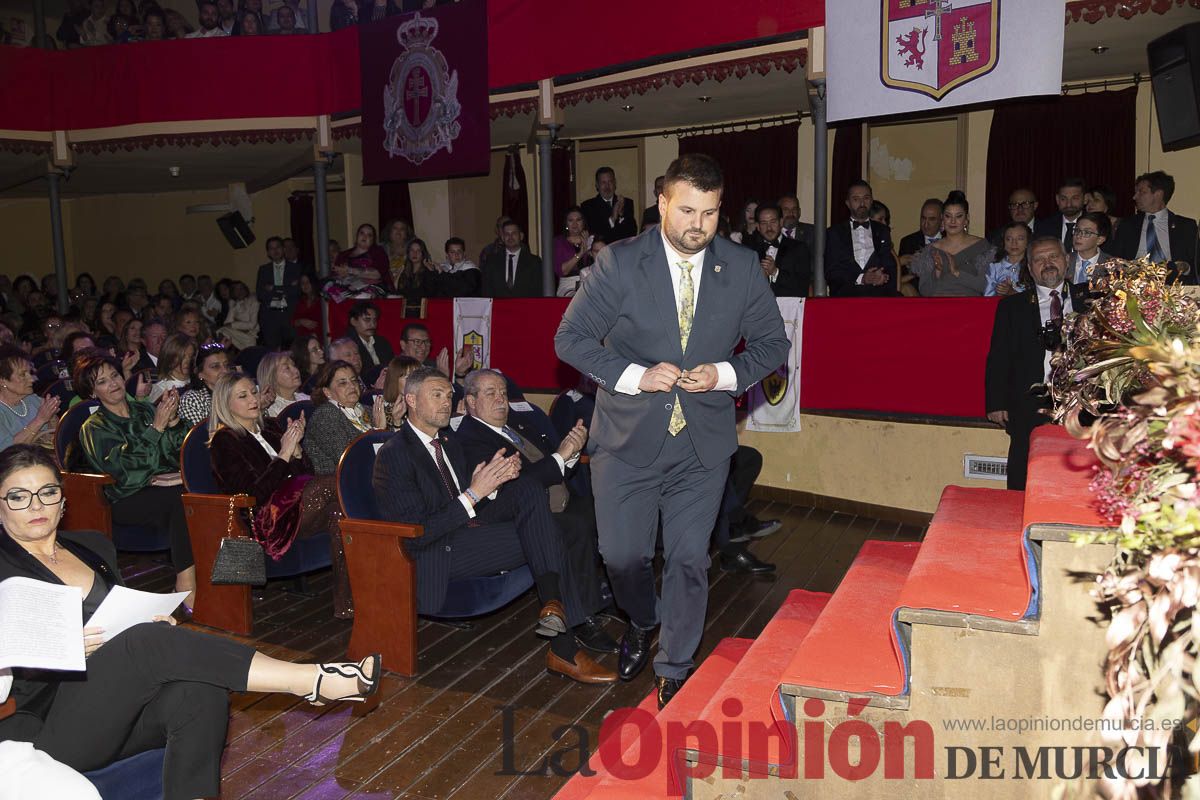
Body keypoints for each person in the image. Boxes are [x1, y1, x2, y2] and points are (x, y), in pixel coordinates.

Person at [0, 444, 380, 800]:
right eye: (18, 496)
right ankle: (309, 680)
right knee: (143, 643)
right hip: (45, 725)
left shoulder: (92, 546)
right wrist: (56, 646)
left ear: (63, 499)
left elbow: (115, 616)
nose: (37, 505)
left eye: (47, 492)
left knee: (200, 690)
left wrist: (149, 618)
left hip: (113, 706)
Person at [554, 153, 789, 708]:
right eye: (686, 210)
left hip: (702, 445)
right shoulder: (619, 263)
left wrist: (725, 374)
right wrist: (635, 375)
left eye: (709, 214)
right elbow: (571, 338)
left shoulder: (740, 266)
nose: (697, 226)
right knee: (622, 555)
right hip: (627, 439)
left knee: (688, 558)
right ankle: (641, 617)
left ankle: (675, 665)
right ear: (662, 202)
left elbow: (773, 344)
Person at [372, 368, 617, 684]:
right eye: (436, 395)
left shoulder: (448, 441)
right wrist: (475, 492)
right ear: (411, 400)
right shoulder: (395, 454)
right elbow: (419, 535)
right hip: (436, 551)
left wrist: (494, 482)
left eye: (449, 395)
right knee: (553, 531)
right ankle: (564, 646)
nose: (446, 402)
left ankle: (554, 608)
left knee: (527, 490)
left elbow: (469, 498)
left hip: (469, 529)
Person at [454, 369, 617, 654]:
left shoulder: (517, 424)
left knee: (602, 508)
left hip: (555, 496)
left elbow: (554, 461)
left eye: (503, 393)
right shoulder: (471, 437)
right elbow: (518, 485)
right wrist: (561, 456)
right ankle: (582, 620)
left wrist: (572, 452)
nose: (501, 400)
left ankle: (601, 596)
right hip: (518, 515)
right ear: (470, 402)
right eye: (490, 394)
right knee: (574, 526)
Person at [208, 374, 352, 618]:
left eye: (253, 392)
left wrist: (296, 452)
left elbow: (305, 475)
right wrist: (284, 455)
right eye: (243, 396)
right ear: (225, 404)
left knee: (340, 517)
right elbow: (254, 493)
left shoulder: (272, 427)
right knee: (335, 483)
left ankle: (348, 605)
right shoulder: (225, 441)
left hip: (296, 508)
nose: (253, 399)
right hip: (266, 518)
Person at [74, 353, 196, 605]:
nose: (114, 383)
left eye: (115, 375)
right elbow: (124, 471)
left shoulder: (143, 409)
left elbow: (176, 454)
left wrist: (172, 422)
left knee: (199, 493)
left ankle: (208, 577)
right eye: (103, 381)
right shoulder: (94, 426)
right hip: (124, 499)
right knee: (178, 499)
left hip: (162, 488)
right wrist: (157, 429)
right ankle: (186, 585)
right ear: (93, 391)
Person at [985, 237, 1087, 490]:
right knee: (1024, 471)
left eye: (1053, 256)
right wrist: (996, 402)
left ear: (1066, 260)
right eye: (1039, 259)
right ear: (1030, 269)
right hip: (1030, 401)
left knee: (1078, 472)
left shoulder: (1090, 300)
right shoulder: (1012, 307)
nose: (1048, 263)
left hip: (1083, 401)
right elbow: (999, 356)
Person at [1111, 170, 1198, 281]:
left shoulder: (1186, 226)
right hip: (1135, 285)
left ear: (1158, 194)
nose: (1134, 197)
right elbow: (1115, 259)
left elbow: (1195, 263)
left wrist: (1186, 267)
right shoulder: (1127, 225)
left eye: (1141, 192)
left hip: (1174, 285)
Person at [304, 360, 386, 476]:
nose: (352, 386)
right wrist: (378, 431)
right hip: (342, 485)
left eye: (354, 380)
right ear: (327, 392)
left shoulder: (368, 410)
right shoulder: (325, 416)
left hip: (376, 476)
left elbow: (392, 451)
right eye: (343, 383)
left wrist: (397, 421)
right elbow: (350, 461)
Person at [908, 192, 992, 296]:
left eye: (958, 216)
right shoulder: (931, 249)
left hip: (970, 306)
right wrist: (937, 272)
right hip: (938, 307)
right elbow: (925, 292)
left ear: (966, 219)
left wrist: (957, 272)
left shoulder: (981, 246)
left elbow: (987, 286)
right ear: (942, 218)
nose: (953, 221)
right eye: (948, 216)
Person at [824, 180, 899, 297]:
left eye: (866, 198)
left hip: (878, 293)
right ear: (848, 203)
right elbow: (832, 271)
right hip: (846, 295)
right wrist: (862, 278)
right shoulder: (834, 233)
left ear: (871, 201)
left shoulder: (883, 230)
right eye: (856, 199)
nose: (862, 203)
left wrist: (882, 277)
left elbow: (889, 264)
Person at [0, 347, 60, 452]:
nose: (32, 379)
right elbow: (7, 451)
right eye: (22, 375)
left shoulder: (33, 400)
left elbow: (56, 437)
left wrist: (52, 418)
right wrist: (39, 420)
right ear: (3, 381)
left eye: (30, 372)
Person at [745, 203, 811, 297]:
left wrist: (775, 272)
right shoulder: (750, 251)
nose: (769, 228)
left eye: (773, 222)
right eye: (764, 223)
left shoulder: (798, 248)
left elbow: (802, 287)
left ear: (781, 222)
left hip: (789, 308)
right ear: (758, 226)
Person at [255, 236, 302, 349]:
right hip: (270, 316)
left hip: (289, 314)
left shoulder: (296, 268)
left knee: (292, 350)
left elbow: (297, 291)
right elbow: (260, 294)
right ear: (268, 252)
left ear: (283, 249)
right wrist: (286, 288)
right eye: (271, 248)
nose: (275, 251)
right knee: (272, 353)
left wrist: (273, 289)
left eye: (278, 247)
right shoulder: (263, 269)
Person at [480, 221, 541, 298]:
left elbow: (538, 291)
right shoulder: (491, 261)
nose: (510, 237)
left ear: (521, 236)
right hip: (498, 308)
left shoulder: (534, 262)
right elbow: (486, 291)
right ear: (502, 238)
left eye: (514, 233)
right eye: (507, 234)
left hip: (525, 308)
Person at [327, 224, 388, 300]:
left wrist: (350, 270)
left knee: (366, 291)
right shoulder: (343, 255)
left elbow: (377, 274)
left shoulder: (378, 252)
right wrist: (340, 274)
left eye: (369, 235)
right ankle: (349, 297)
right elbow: (337, 275)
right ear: (357, 236)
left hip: (370, 286)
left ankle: (355, 297)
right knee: (326, 285)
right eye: (362, 233)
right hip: (348, 285)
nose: (364, 237)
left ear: (373, 240)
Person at [580, 167, 637, 243]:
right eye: (603, 182)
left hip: (622, 250)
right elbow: (593, 235)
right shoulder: (588, 206)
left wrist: (621, 214)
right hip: (600, 252)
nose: (607, 186)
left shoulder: (627, 203)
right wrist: (612, 219)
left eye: (610, 182)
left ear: (615, 183)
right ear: (597, 185)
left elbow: (632, 232)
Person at [179, 344, 231, 427]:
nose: (224, 371)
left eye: (226, 365)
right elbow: (200, 437)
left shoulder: (237, 393)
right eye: (215, 366)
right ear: (200, 374)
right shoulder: (192, 400)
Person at [1033, 178, 1087, 254]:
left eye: (1075, 198)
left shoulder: (1095, 224)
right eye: (1063, 199)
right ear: (1057, 199)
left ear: (1085, 199)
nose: (1069, 204)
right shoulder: (1044, 227)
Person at [346, 301, 394, 386]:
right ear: (353, 321)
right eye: (367, 320)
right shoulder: (347, 345)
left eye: (375, 320)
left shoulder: (382, 342)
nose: (372, 324)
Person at [257, 351, 310, 418]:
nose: (296, 370)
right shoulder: (270, 409)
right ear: (272, 377)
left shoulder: (307, 399)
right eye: (287, 368)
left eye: (294, 365)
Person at [983, 222, 1030, 297]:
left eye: (1020, 239)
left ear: (1028, 241)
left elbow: (1037, 298)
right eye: (1009, 239)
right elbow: (988, 297)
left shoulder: (1033, 267)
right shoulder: (994, 268)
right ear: (1003, 242)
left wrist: (1012, 292)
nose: (1014, 243)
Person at [1068, 211, 1114, 286]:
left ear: (1100, 240)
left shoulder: (1112, 266)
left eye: (1086, 232)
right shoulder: (1064, 260)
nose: (1078, 236)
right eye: (1077, 230)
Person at [147, 333, 194, 404]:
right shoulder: (161, 389)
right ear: (169, 357)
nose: (187, 360)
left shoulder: (197, 382)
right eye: (182, 356)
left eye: (190, 356)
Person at [216, 281, 259, 351]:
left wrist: (234, 324)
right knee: (222, 331)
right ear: (233, 292)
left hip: (250, 335)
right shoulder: (234, 303)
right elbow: (227, 323)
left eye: (242, 288)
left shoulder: (253, 301)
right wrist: (233, 307)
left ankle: (221, 352)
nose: (240, 291)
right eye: (237, 289)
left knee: (222, 331)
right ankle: (221, 353)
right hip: (238, 332)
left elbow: (252, 325)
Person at [380, 355, 421, 430]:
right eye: (408, 377)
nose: (415, 381)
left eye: (417, 377)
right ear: (394, 381)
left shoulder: (423, 405)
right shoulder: (384, 412)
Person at [898, 198, 943, 263]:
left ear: (942, 220)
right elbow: (902, 271)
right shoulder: (908, 242)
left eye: (932, 219)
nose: (926, 224)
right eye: (923, 218)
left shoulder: (951, 239)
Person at [291, 273, 322, 339]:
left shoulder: (321, 300)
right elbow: (293, 322)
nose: (305, 285)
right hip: (302, 339)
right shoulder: (301, 301)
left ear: (313, 283)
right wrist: (301, 321)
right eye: (303, 283)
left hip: (319, 338)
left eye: (308, 282)